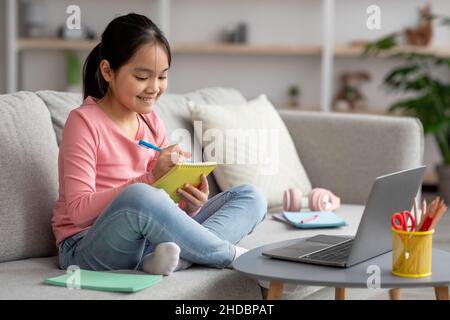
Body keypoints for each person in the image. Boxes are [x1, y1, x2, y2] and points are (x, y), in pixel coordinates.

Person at [52, 13, 267, 276]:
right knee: (141, 196)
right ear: (108, 71)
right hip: (86, 246)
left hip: (147, 238)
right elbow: (78, 212)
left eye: (162, 77)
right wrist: (149, 179)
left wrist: (189, 205)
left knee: (250, 197)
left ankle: (165, 259)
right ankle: (227, 255)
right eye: (142, 77)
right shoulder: (83, 122)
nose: (154, 88)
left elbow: (161, 208)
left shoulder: (151, 121)